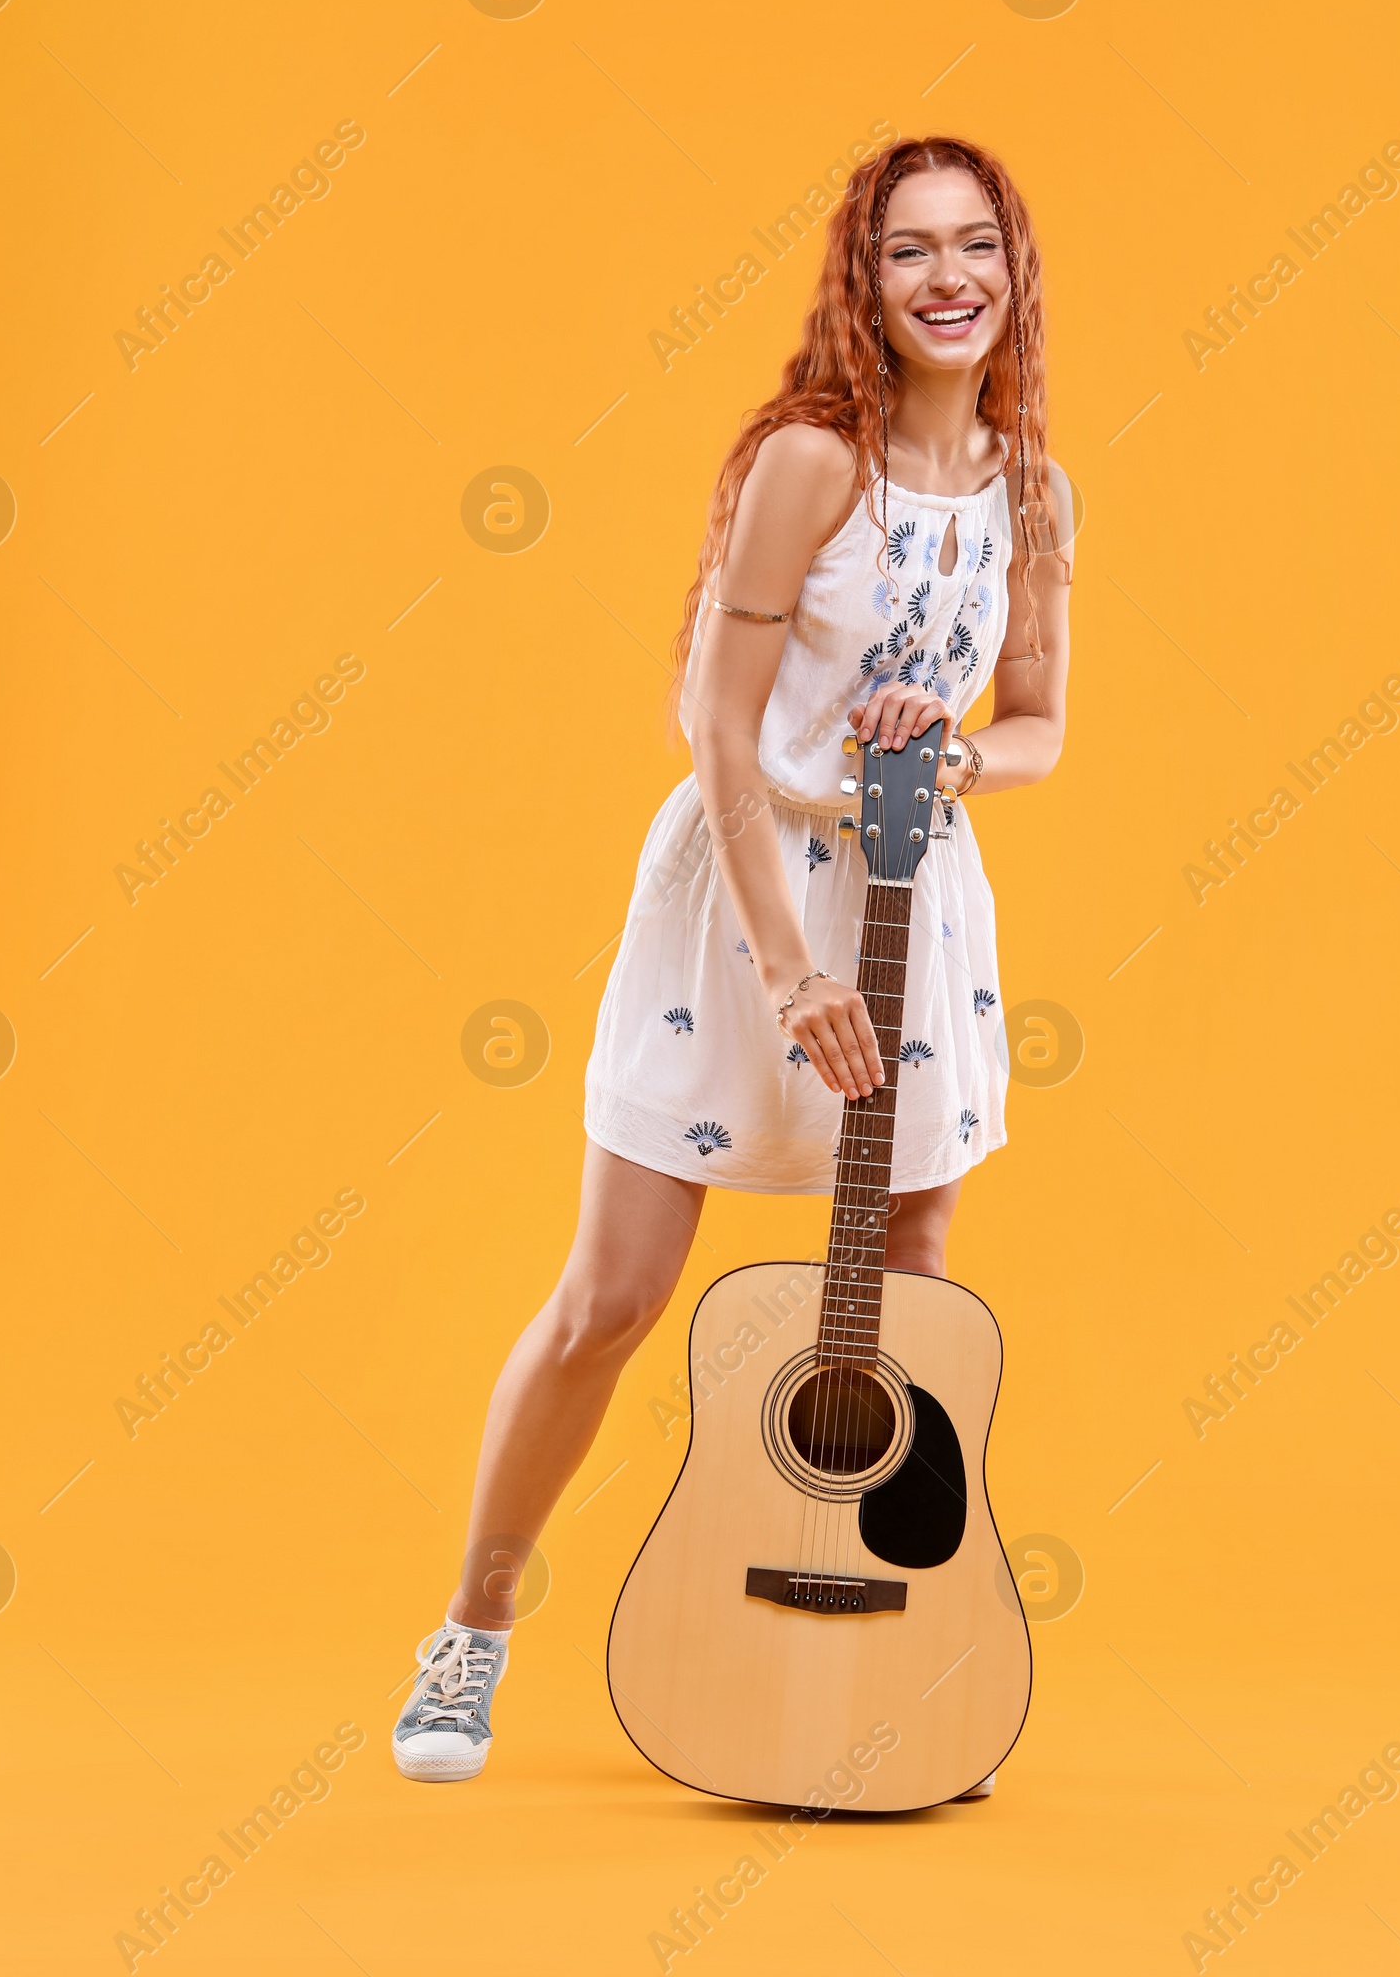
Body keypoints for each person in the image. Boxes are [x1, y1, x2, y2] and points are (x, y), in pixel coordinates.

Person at [393, 133, 1074, 1780]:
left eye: (973, 244)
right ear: (865, 277)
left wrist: (958, 754)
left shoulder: (1033, 487)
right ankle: (468, 1635)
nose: (947, 279)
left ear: (1015, 265)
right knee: (615, 1295)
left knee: (900, 1319)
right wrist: (789, 971)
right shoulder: (806, 463)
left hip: (916, 901)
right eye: (909, 251)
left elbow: (1042, 727)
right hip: (750, 899)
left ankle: (873, 1668)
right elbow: (713, 720)